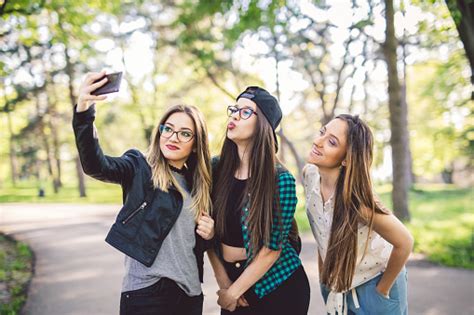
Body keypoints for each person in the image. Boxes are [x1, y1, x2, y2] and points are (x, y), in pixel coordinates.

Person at [72, 70, 215, 315]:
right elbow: (96, 165)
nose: (173, 137)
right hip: (147, 292)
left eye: (185, 133)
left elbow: (188, 243)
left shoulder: (200, 185)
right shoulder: (139, 167)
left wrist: (209, 232)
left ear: (195, 144)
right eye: (168, 128)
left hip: (190, 295)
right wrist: (84, 110)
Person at [207, 86, 310, 315]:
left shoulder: (281, 180)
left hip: (279, 288)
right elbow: (205, 232)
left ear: (262, 125)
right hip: (233, 283)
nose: (234, 115)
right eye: (234, 109)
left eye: (245, 112)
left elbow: (271, 250)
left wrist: (233, 292)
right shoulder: (215, 169)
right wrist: (226, 284)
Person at [303, 114, 414, 314]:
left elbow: (404, 242)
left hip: (375, 286)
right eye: (322, 132)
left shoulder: (358, 202)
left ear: (346, 158)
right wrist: (324, 278)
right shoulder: (309, 175)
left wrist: (382, 290)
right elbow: (322, 233)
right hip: (336, 283)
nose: (318, 141)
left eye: (331, 142)